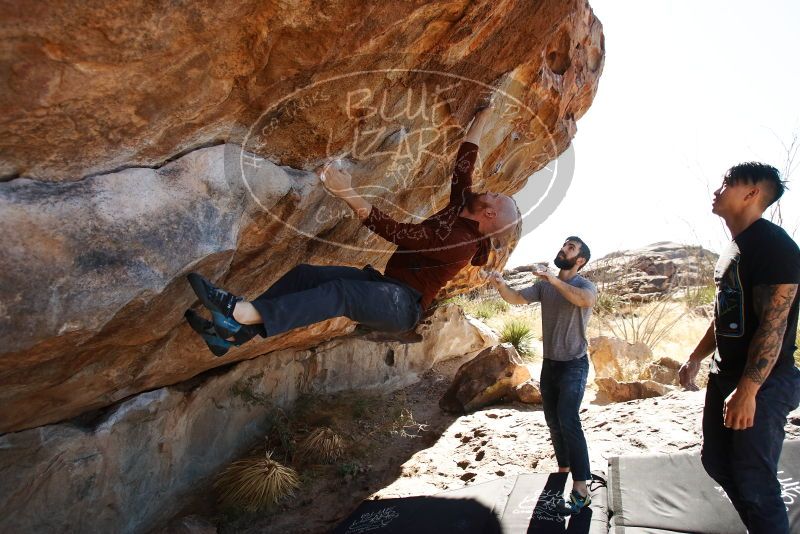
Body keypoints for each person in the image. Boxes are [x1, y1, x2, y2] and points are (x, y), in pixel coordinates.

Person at [185, 101, 520, 357]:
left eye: (495, 196)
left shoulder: (461, 243)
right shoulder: (463, 206)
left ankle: (238, 311)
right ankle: (230, 335)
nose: (488, 190)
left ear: (489, 214)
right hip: (387, 285)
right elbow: (466, 162)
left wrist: (347, 192)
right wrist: (484, 115)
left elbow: (400, 235)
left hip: (403, 306)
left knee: (341, 294)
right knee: (305, 276)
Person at [679, 162, 800, 534]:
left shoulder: (773, 246)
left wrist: (748, 390)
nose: (719, 188)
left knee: (754, 480)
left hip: (764, 382)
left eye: (729, 182)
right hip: (723, 376)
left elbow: (773, 326)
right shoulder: (734, 248)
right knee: (716, 462)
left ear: (752, 194)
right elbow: (725, 316)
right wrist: (695, 358)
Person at [487, 237, 597, 515]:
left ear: (580, 260)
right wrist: (500, 283)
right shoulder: (544, 286)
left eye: (570, 248)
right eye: (564, 245)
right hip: (550, 365)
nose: (563, 249)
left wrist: (553, 279)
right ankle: (564, 471)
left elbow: (585, 301)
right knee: (553, 421)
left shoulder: (583, 285)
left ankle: (581, 487)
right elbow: (516, 298)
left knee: (569, 418)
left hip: (574, 363)